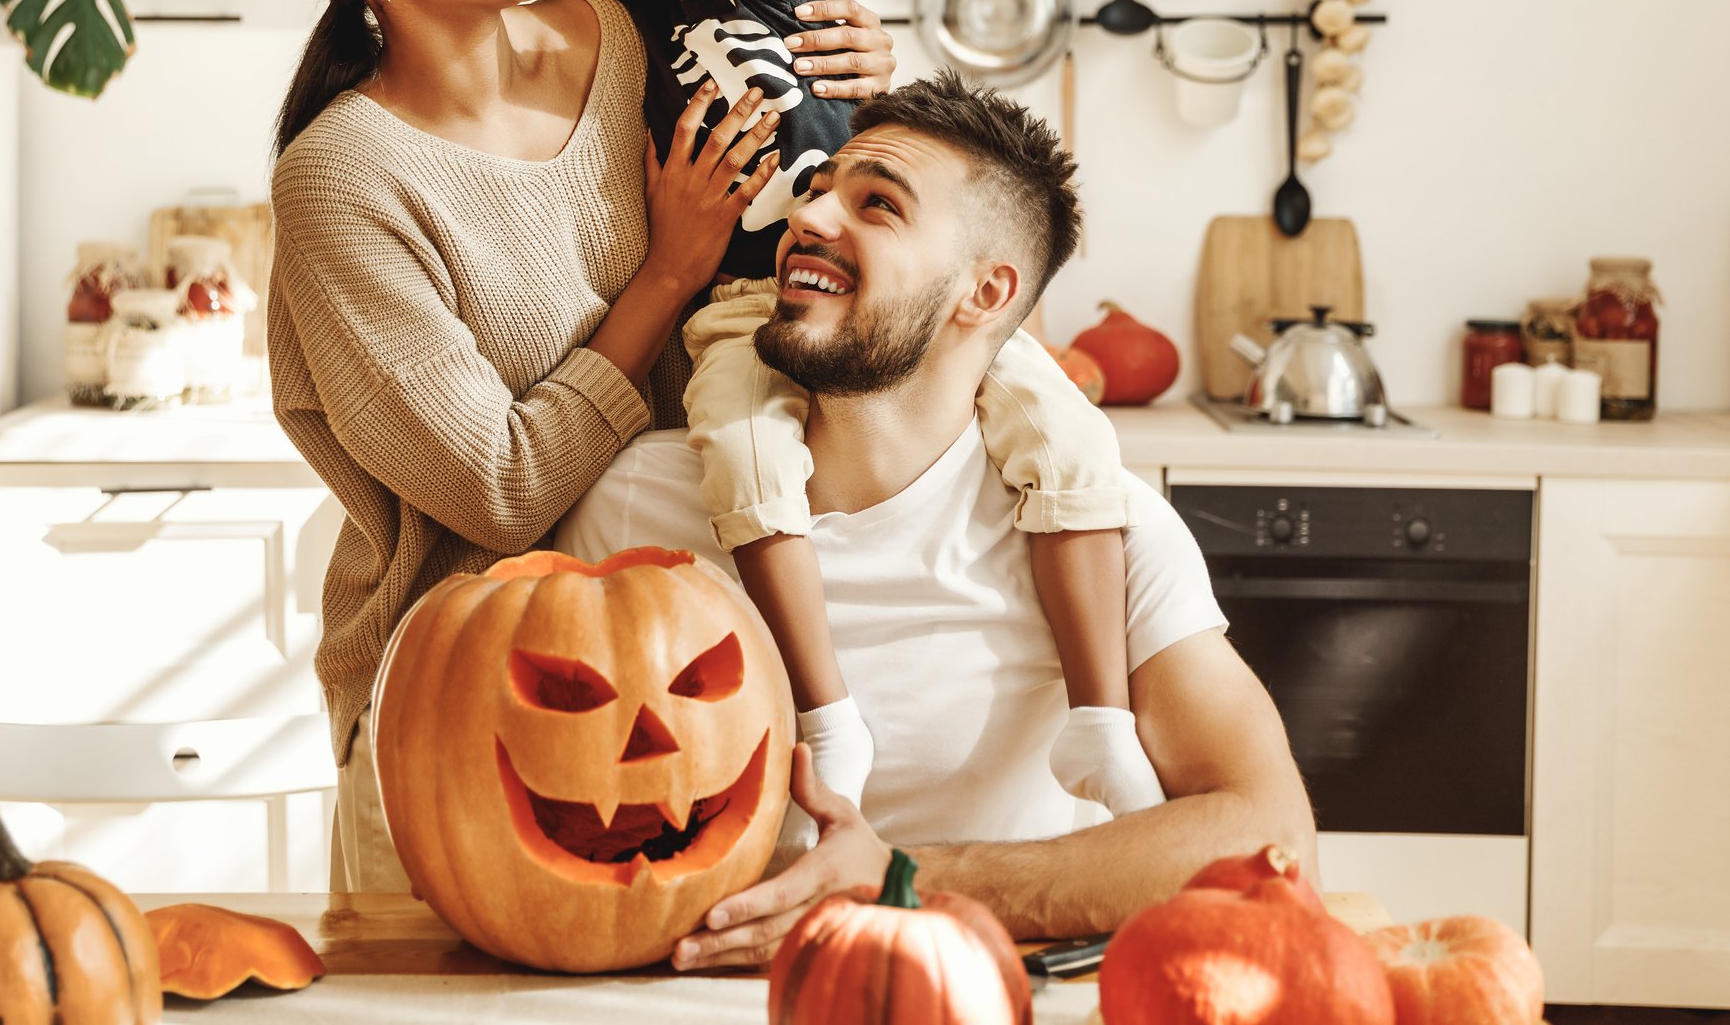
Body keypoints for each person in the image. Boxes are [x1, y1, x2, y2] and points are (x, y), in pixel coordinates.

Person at [201, 0, 894, 889]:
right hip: (475, 733)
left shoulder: (619, 32)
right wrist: (663, 278)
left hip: (699, 696)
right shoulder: (343, 180)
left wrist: (859, 70)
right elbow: (502, 488)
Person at [484, 0, 1160, 825]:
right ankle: (826, 717)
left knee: (1066, 433)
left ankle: (1099, 720)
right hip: (743, 313)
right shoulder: (618, 17)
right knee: (743, 457)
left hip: (892, 301)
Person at [557, 71, 1317, 963]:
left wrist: (899, 879)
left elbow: (1272, 840)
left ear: (986, 294)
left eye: (877, 205)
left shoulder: (1110, 535)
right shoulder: (636, 504)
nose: (811, 218)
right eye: (818, 189)